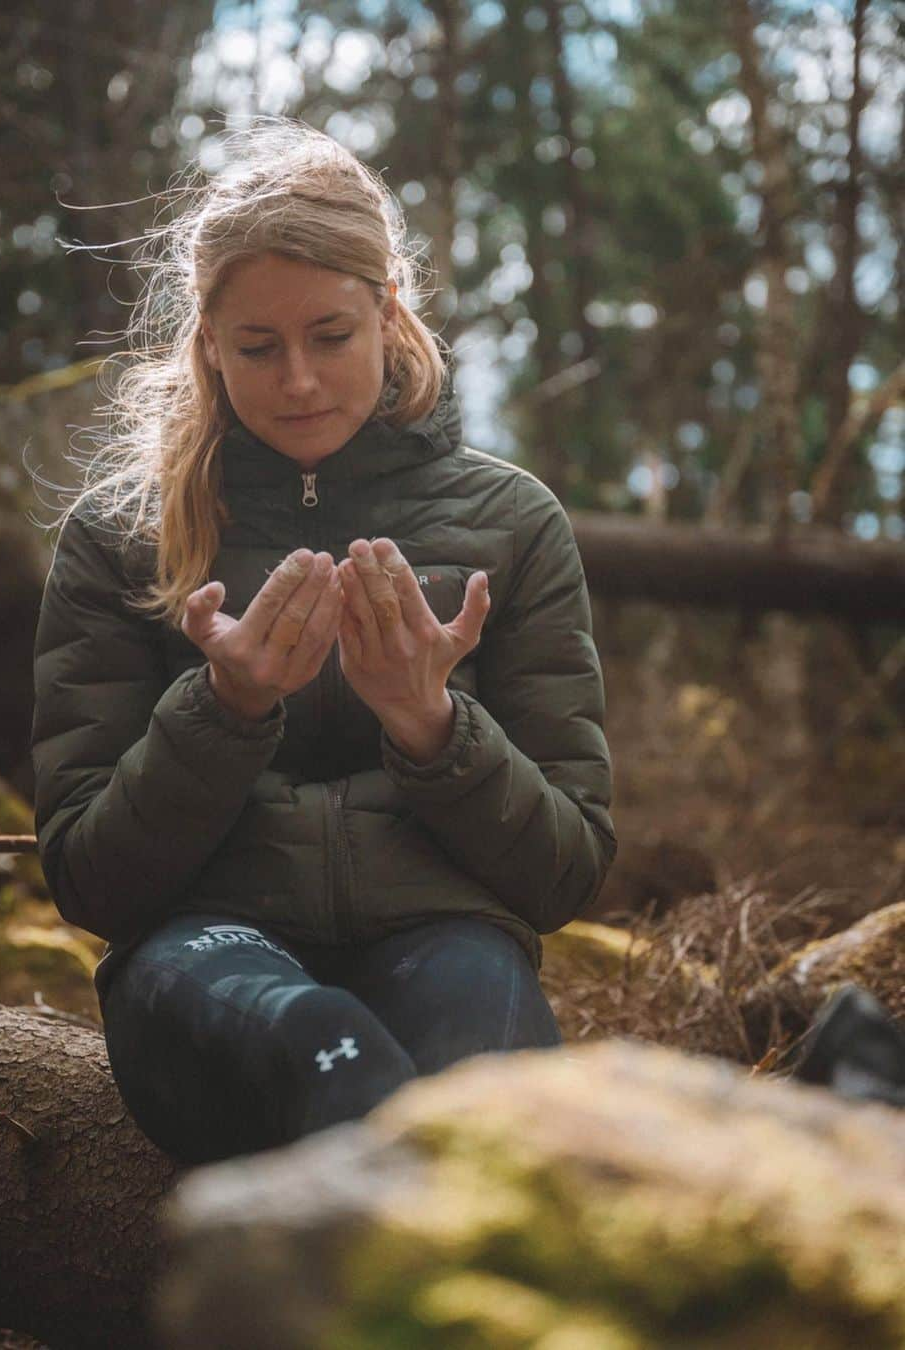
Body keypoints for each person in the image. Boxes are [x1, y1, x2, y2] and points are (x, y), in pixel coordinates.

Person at [31, 118, 616, 1166]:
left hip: (447, 932)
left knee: (467, 1094)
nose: (298, 380)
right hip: (203, 947)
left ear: (389, 315)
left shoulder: (515, 523)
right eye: (258, 347)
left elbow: (565, 877)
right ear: (207, 342)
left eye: (330, 337)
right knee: (320, 1042)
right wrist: (226, 711)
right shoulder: (125, 535)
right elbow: (89, 880)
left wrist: (433, 726)